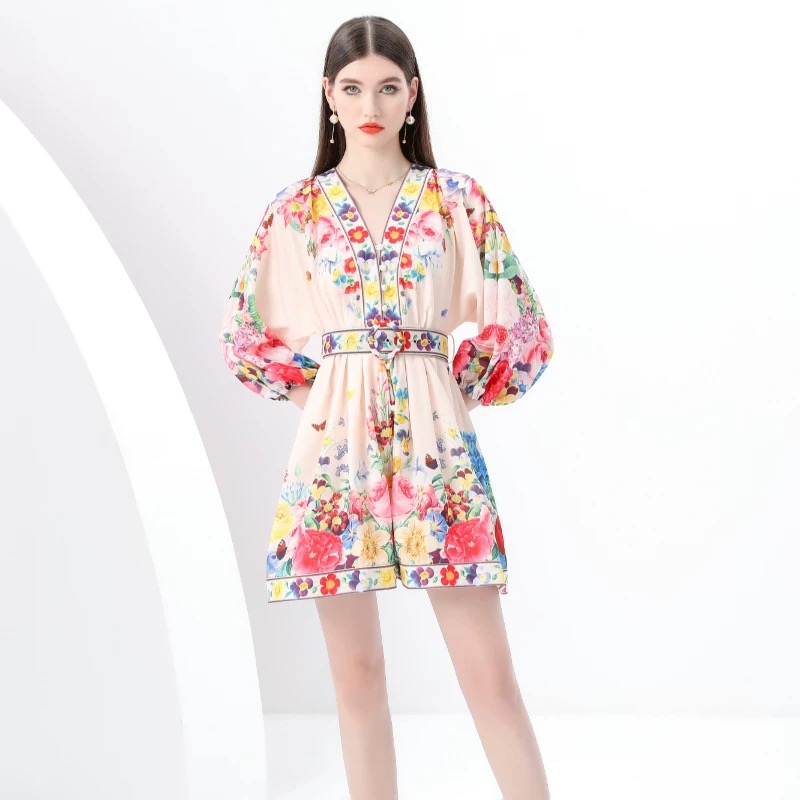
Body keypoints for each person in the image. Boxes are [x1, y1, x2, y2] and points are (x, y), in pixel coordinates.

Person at [219, 14, 554, 800]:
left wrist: (452, 385)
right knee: (358, 681)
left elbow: (524, 325)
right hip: (333, 460)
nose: (370, 104)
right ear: (329, 96)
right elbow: (243, 333)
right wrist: (320, 390)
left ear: (413, 95)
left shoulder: (455, 200)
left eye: (388, 87)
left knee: (489, 679)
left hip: (438, 454)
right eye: (353, 87)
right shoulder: (297, 211)